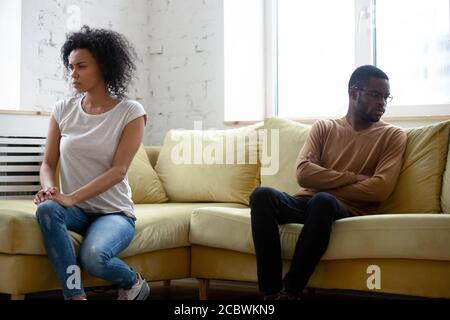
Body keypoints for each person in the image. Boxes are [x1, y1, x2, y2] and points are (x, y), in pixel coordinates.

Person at [250, 65, 407, 300]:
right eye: (376, 95)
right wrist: (353, 177)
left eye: (386, 97)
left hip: (345, 209)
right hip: (306, 203)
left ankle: (291, 291)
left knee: (323, 200)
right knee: (261, 195)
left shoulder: (393, 135)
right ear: (353, 93)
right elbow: (303, 174)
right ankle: (270, 292)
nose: (382, 102)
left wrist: (323, 178)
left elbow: (379, 189)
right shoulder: (324, 127)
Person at [34, 25, 149, 300]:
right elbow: (48, 163)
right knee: (47, 208)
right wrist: (51, 189)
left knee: (94, 258)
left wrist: (72, 197)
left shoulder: (130, 112)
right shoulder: (63, 110)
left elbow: (119, 171)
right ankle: (75, 295)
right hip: (75, 211)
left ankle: (133, 281)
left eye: (81, 66)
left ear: (104, 66)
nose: (73, 74)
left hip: (114, 213)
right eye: (71, 66)